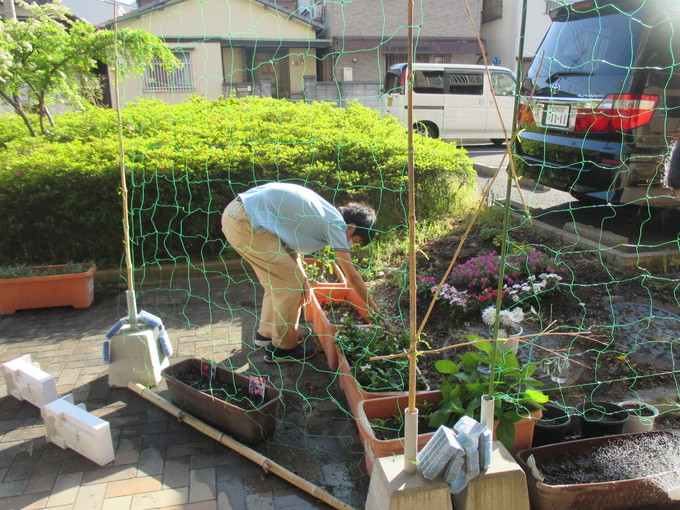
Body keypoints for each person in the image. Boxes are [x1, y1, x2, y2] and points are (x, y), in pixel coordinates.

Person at [221, 182, 378, 363]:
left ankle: (267, 334)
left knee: (278, 282)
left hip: (238, 216)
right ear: (350, 227)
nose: (350, 244)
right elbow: (352, 277)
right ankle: (283, 349)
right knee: (290, 286)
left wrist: (303, 278)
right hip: (246, 222)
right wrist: (376, 313)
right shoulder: (336, 224)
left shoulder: (324, 214)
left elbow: (292, 250)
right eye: (355, 241)